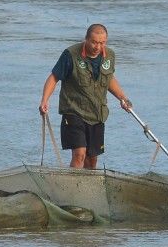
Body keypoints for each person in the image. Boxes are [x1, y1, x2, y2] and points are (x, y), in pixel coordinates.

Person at [38, 23, 132, 169]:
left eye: (102, 43)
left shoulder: (110, 56)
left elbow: (109, 79)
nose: (98, 47)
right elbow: (54, 78)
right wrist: (44, 100)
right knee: (79, 154)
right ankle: (72, 189)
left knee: (91, 160)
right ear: (86, 39)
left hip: (97, 114)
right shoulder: (70, 55)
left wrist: (123, 98)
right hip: (74, 111)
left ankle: (88, 189)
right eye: (94, 42)